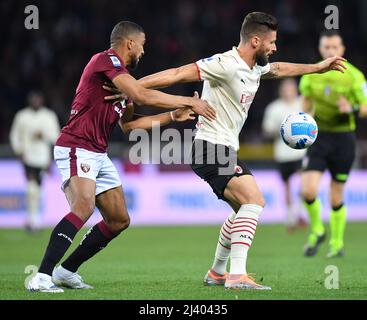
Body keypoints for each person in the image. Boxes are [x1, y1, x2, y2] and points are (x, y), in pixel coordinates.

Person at [108, 12, 346, 290]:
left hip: (221, 148)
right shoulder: (225, 64)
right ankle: (237, 275)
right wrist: (132, 87)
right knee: (254, 200)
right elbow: (176, 74)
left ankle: (218, 272)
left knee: (240, 211)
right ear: (255, 40)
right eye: (272, 42)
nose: (275, 48)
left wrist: (319, 68)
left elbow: (280, 68)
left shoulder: (255, 67)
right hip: (210, 147)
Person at [27, 20, 214, 293]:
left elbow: (130, 126)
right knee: (83, 207)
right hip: (76, 145)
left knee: (118, 220)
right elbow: (140, 93)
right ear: (130, 43)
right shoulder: (105, 61)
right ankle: (41, 277)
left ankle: (66, 271)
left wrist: (174, 116)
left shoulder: (121, 83)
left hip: (98, 152)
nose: (143, 51)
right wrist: (189, 101)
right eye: (142, 45)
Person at [299, 30, 367, 258]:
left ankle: (336, 243)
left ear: (342, 50)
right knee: (307, 190)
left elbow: (366, 107)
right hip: (319, 137)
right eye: (327, 48)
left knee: (335, 196)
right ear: (321, 50)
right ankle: (317, 229)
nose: (331, 51)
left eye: (335, 47)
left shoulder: (355, 77)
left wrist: (353, 109)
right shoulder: (310, 75)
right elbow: (306, 104)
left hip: (343, 139)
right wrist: (299, 121)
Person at [9, 91, 60, 232]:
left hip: (43, 157)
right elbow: (14, 135)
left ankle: (36, 218)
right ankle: (32, 220)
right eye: (34, 99)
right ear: (30, 100)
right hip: (28, 157)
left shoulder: (49, 116)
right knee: (31, 188)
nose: (36, 101)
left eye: (38, 99)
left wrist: (44, 135)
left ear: (42, 100)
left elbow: (56, 136)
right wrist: (18, 150)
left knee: (39, 189)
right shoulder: (22, 116)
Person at [262, 78, 307, 232]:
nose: (289, 91)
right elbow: (267, 130)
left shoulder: (304, 103)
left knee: (304, 183)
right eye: (286, 88)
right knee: (286, 186)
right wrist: (282, 129)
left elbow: (313, 124)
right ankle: (290, 217)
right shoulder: (274, 108)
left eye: (291, 87)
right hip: (283, 154)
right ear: (281, 90)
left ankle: (300, 213)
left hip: (302, 152)